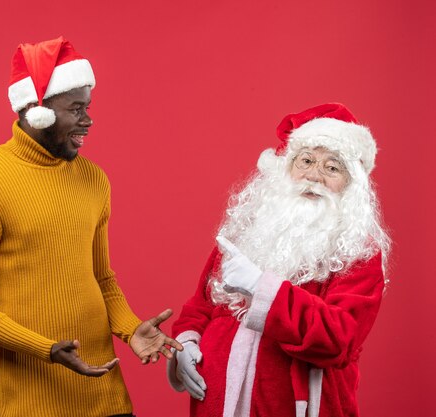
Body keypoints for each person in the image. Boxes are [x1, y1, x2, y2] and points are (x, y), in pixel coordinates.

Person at [0, 37, 182, 417]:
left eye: (88, 107)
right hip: (30, 404)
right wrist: (47, 349)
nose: (88, 120)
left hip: (105, 398)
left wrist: (129, 328)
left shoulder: (94, 180)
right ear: (37, 110)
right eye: (76, 109)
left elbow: (101, 278)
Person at [167, 103, 390, 417]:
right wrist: (186, 344)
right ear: (287, 167)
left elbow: (340, 339)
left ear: (351, 184)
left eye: (332, 167)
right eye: (306, 160)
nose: (313, 176)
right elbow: (202, 303)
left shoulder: (358, 252)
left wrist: (262, 288)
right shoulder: (249, 228)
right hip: (216, 404)